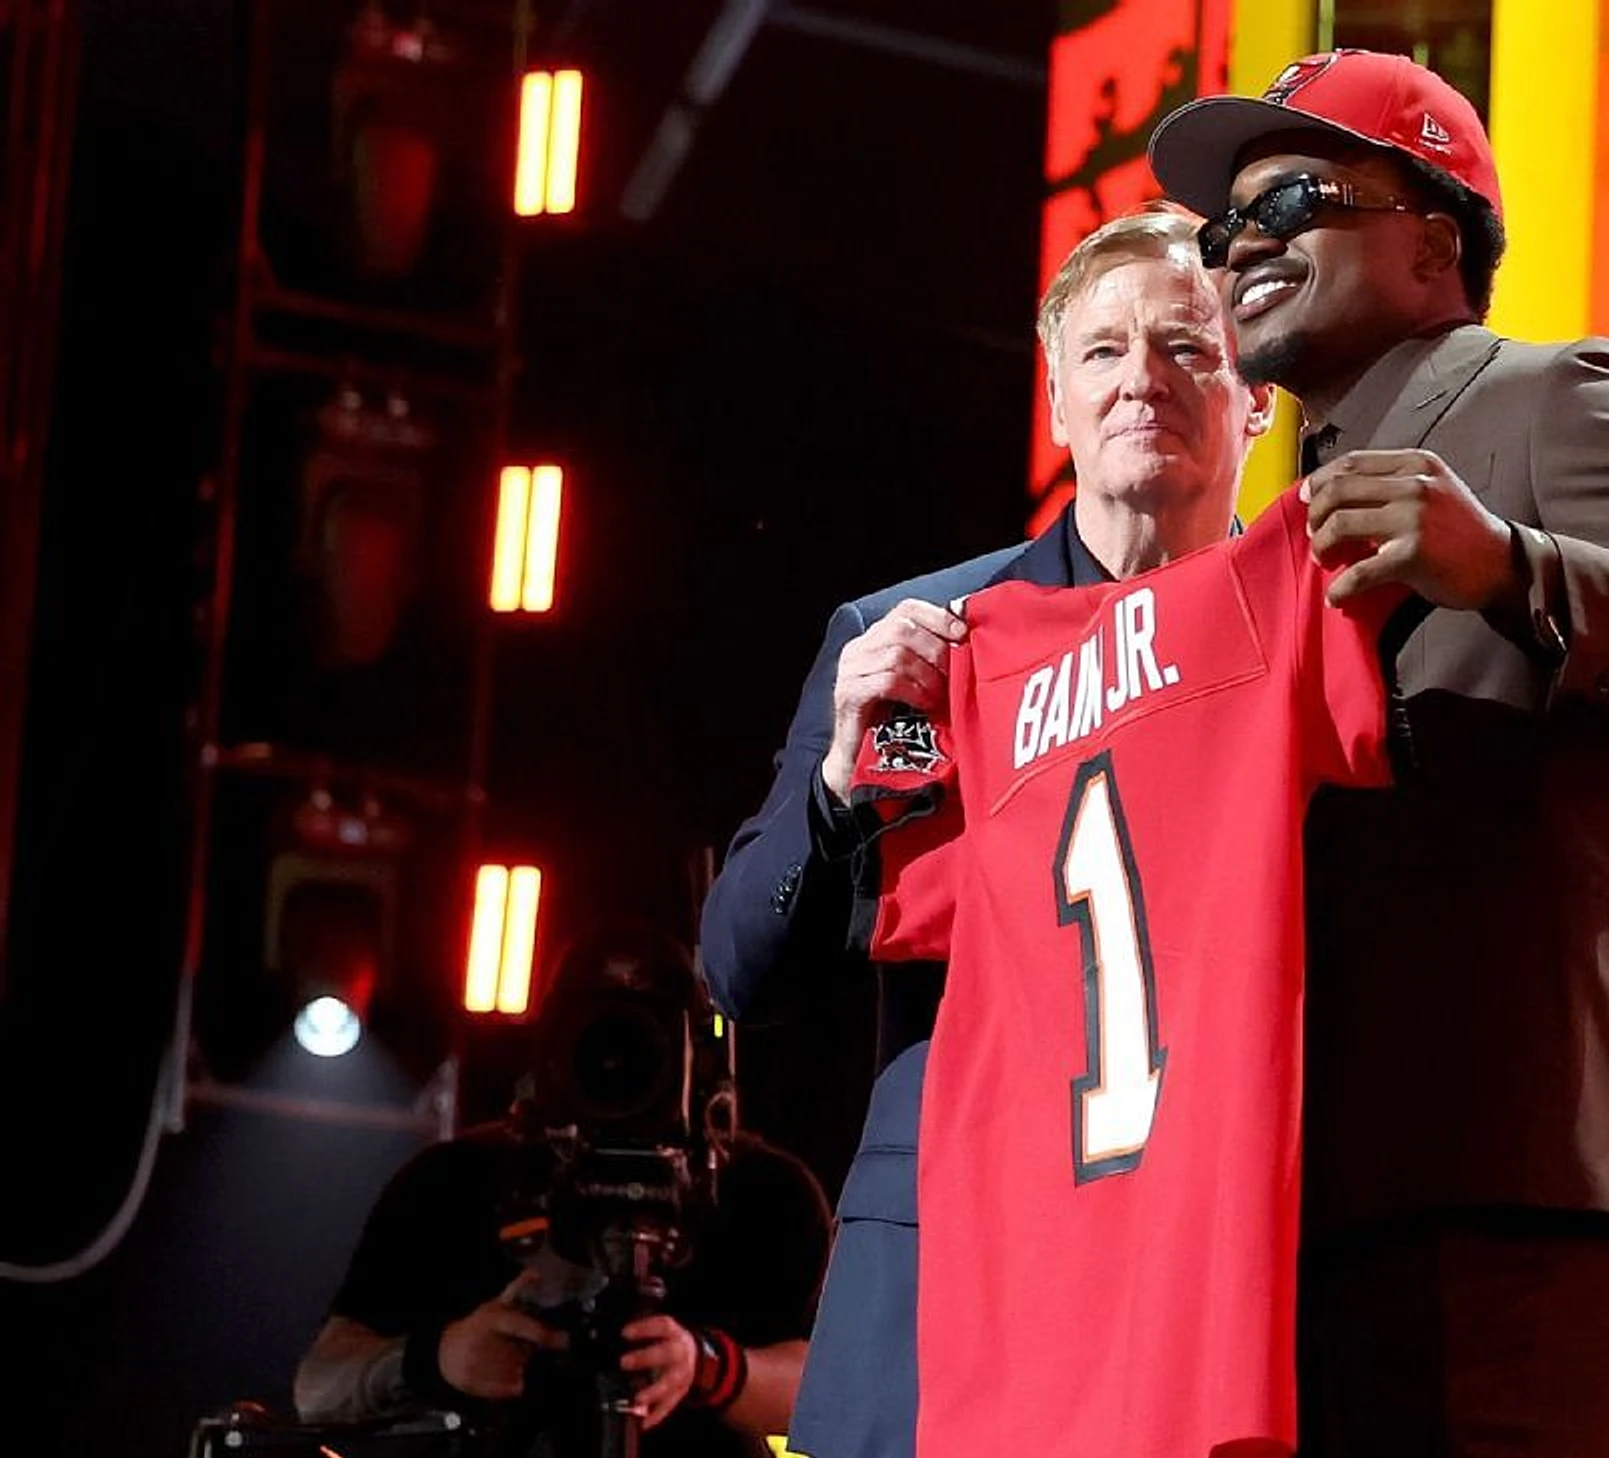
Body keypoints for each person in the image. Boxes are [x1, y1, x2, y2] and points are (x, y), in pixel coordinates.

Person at [1146, 49, 1609, 1456]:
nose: (1247, 247)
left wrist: (1518, 567)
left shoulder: (1554, 397)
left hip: (1519, 1184)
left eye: (1293, 201)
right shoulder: (1259, 547)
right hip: (1321, 1204)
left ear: (1433, 239)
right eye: (1227, 229)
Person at [697, 206, 1272, 1458]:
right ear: (1055, 398)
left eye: (1188, 346)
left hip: (1200, 1249)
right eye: (1104, 350)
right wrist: (837, 787)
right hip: (945, 1260)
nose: (1142, 380)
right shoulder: (913, 640)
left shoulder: (1291, 633)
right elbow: (742, 969)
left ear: (1259, 396)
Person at [292, 922, 831, 1457]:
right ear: (549, 1041)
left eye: (648, 1035)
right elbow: (318, 1388)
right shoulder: (453, 1181)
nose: (619, 1061)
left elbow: (835, 1389)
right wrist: (439, 1359)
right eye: (598, 1033)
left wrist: (708, 1367)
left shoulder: (764, 1194)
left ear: (698, 1052)